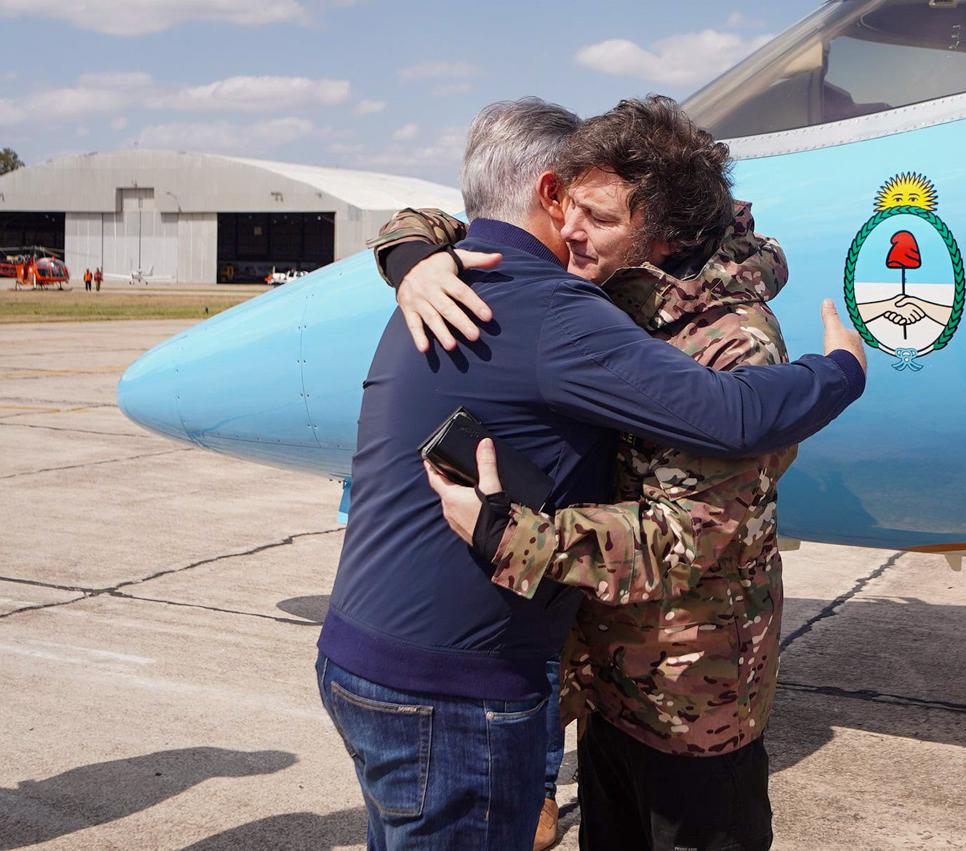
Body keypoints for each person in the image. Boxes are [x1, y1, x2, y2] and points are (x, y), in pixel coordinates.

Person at [318, 97, 867, 851]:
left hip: (690, 705)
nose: (571, 229)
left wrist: (514, 537)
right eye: (569, 205)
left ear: (662, 231)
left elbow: (691, 534)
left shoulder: (725, 339)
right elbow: (464, 213)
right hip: (611, 688)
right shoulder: (608, 287)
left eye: (598, 217)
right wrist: (410, 256)